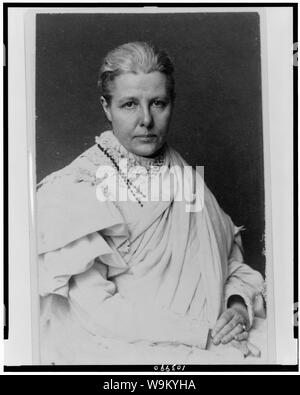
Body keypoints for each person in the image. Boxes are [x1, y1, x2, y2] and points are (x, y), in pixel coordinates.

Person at [37, 41, 266, 365]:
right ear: (106, 107)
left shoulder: (186, 177)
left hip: (220, 335)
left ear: (172, 103)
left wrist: (238, 306)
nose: (146, 119)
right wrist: (202, 334)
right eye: (129, 104)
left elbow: (227, 264)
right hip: (124, 351)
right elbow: (97, 313)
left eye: (157, 103)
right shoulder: (74, 187)